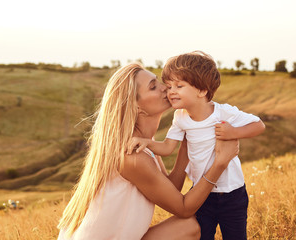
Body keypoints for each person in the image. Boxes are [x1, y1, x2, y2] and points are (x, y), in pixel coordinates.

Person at [57, 63, 239, 240]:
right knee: (191, 226)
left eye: (158, 81)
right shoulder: (133, 155)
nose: (165, 88)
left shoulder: (144, 142)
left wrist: (187, 140)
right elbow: (183, 208)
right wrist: (220, 163)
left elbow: (170, 190)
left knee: (191, 225)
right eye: (153, 87)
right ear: (136, 106)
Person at [127, 51, 266, 240]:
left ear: (202, 90)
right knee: (201, 235)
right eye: (169, 86)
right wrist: (147, 143)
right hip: (202, 194)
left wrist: (234, 133)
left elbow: (259, 125)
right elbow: (167, 148)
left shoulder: (223, 112)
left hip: (232, 193)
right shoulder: (181, 117)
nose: (170, 92)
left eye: (179, 86)